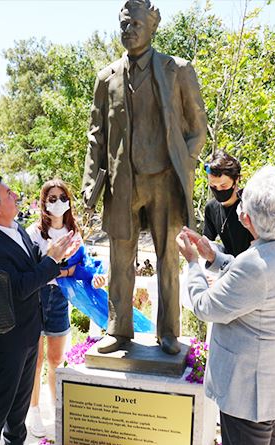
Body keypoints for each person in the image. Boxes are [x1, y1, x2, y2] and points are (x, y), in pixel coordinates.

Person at [81, 0, 207, 355]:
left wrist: (185, 163)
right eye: (124, 24)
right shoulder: (106, 78)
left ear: (152, 27)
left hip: (164, 179)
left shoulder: (177, 70)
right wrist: (90, 183)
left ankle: (168, 332)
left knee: (169, 256)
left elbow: (198, 128)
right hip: (123, 181)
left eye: (136, 24)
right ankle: (118, 330)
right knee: (120, 255)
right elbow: (96, 135)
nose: (129, 30)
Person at [176, 166, 275, 445]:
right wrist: (213, 256)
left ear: (249, 218)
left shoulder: (254, 265)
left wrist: (192, 263)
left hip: (250, 394)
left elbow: (205, 306)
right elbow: (262, 282)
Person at [0, 175, 78, 445]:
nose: (15, 195)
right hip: (7, 339)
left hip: (29, 332)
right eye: (8, 194)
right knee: (0, 406)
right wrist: (52, 260)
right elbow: (18, 288)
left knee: (18, 409)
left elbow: (34, 266)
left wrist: (57, 256)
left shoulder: (15, 228)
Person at [24, 180, 106, 437]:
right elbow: (32, 269)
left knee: (56, 360)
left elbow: (81, 268)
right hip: (36, 298)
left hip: (60, 298)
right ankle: (34, 411)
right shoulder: (34, 233)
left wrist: (89, 275)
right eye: (51, 197)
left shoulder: (74, 234)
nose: (57, 202)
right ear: (43, 202)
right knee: (35, 361)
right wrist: (63, 269)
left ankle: (54, 406)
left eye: (61, 197)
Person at [203, 151, 254, 257]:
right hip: (230, 267)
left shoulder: (251, 204)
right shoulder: (211, 208)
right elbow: (207, 243)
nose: (218, 190)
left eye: (224, 185)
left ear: (236, 180)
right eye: (213, 186)